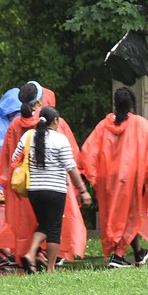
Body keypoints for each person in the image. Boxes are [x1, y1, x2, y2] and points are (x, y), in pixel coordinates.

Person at [0, 82, 89, 266]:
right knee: (52, 224)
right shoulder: (53, 120)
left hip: (26, 187)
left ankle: (34, 254)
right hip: (55, 184)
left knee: (30, 223)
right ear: (40, 99)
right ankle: (45, 257)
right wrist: (81, 187)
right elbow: (71, 156)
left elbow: (8, 160)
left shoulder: (14, 125)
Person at [80, 87, 148, 268]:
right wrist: (147, 178)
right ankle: (118, 256)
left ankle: (138, 253)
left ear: (115, 103)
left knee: (119, 218)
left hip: (109, 181)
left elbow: (88, 151)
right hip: (132, 179)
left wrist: (89, 177)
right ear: (132, 103)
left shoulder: (104, 125)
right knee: (131, 217)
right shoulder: (141, 125)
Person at [11, 106, 91, 273]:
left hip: (34, 190)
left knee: (44, 225)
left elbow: (14, 157)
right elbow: (71, 167)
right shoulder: (60, 139)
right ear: (56, 121)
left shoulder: (28, 136)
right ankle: (50, 268)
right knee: (54, 227)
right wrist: (82, 190)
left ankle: (31, 253)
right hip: (55, 190)